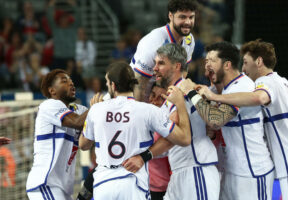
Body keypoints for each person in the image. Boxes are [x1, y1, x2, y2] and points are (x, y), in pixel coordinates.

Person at [198, 39, 288, 200]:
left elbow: (259, 98)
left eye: (245, 62)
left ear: (259, 61)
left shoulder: (264, 82)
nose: (243, 69)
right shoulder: (284, 82)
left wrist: (213, 97)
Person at [78, 61, 191, 200]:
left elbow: (83, 145)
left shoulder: (96, 109)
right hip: (134, 184)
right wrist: (180, 104)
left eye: (107, 84)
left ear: (113, 85)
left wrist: (93, 115)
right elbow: (184, 139)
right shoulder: (148, 110)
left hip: (104, 184)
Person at [179, 41, 275, 199]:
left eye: (212, 61)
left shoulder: (242, 86)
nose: (207, 65)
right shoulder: (217, 90)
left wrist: (191, 92)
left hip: (252, 172)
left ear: (227, 65)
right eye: (206, 61)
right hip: (229, 171)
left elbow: (215, 120)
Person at [124, 43, 220, 200]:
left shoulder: (187, 90)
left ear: (177, 66)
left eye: (161, 63)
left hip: (196, 170)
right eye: (155, 63)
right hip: (179, 171)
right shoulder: (172, 95)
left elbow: (171, 138)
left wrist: (143, 156)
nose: (155, 68)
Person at [26, 69, 100, 200]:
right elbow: (77, 121)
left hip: (63, 189)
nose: (71, 84)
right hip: (45, 184)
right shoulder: (49, 105)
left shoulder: (79, 110)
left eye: (71, 81)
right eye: (64, 81)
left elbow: (85, 145)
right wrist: (95, 108)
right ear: (52, 91)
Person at [130, 0, 197, 102]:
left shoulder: (189, 40)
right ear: (171, 16)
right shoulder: (153, 42)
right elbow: (139, 86)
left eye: (191, 17)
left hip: (162, 93)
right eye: (182, 17)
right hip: (137, 92)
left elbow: (182, 72)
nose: (188, 22)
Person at [148, 84, 171, 200]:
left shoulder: (170, 122)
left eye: (161, 97)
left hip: (166, 188)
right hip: (145, 186)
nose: (154, 100)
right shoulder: (144, 116)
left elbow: (165, 148)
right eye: (152, 95)